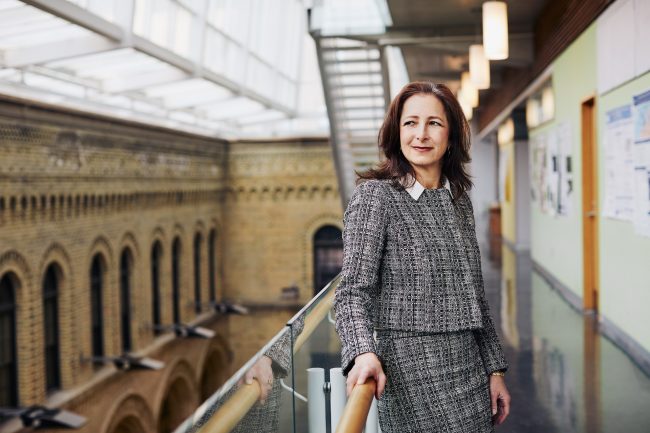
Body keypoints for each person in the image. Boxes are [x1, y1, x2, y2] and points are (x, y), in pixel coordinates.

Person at [334, 81, 511, 432]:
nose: (421, 134)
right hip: (409, 371)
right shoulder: (376, 197)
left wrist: (495, 369)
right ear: (396, 132)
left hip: (469, 369)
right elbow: (352, 291)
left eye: (434, 123)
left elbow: (475, 296)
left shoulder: (458, 200)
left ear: (451, 137)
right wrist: (361, 351)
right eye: (410, 122)